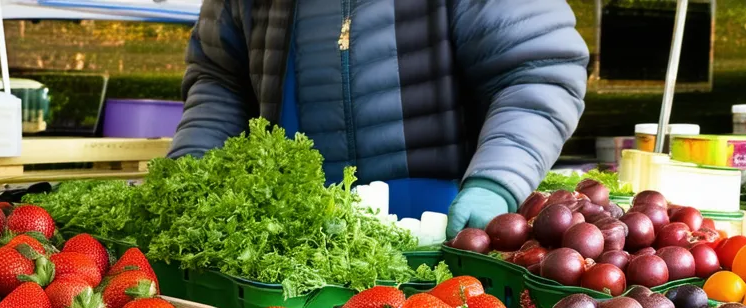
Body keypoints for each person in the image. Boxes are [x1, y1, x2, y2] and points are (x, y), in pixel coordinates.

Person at [168, 0, 589, 238]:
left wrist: (496, 182)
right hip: (290, 244)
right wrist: (193, 168)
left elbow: (538, 71)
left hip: (441, 236)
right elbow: (219, 79)